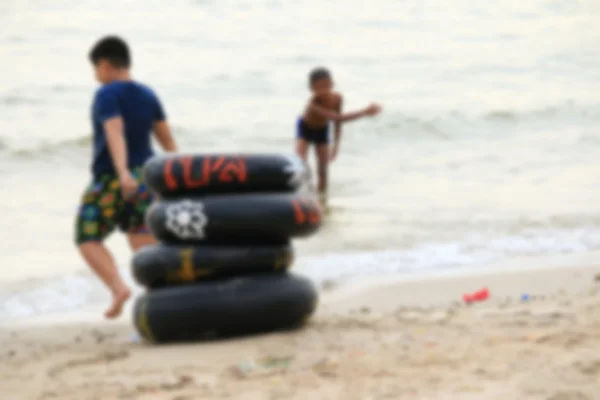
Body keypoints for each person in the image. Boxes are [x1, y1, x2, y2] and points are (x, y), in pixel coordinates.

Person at [75, 36, 177, 319]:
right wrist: (179, 176)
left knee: (87, 235)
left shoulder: (107, 93)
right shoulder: (148, 94)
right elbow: (166, 140)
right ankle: (164, 302)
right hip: (147, 177)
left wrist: (121, 173)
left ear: (105, 65)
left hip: (113, 178)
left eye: (95, 68)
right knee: (140, 236)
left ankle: (118, 287)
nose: (96, 76)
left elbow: (114, 131)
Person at [296, 67, 382, 206]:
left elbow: (337, 124)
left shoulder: (338, 99)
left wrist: (335, 147)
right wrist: (364, 112)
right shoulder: (312, 104)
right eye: (319, 87)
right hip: (305, 129)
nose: (323, 90)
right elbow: (338, 118)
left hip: (322, 130)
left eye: (326, 85)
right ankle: (301, 199)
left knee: (323, 171)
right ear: (312, 89)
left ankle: (322, 203)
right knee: (301, 165)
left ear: (332, 84)